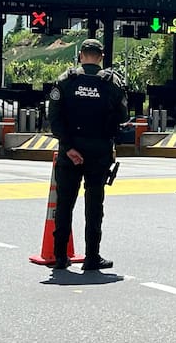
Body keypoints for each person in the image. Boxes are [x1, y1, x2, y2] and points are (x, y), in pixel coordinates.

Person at [47, 38, 127, 271]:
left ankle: (60, 256)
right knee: (94, 204)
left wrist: (69, 147)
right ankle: (92, 256)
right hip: (99, 150)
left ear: (81, 55)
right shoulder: (112, 83)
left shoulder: (65, 80)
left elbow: (54, 118)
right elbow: (123, 116)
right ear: (101, 57)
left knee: (64, 204)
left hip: (69, 150)